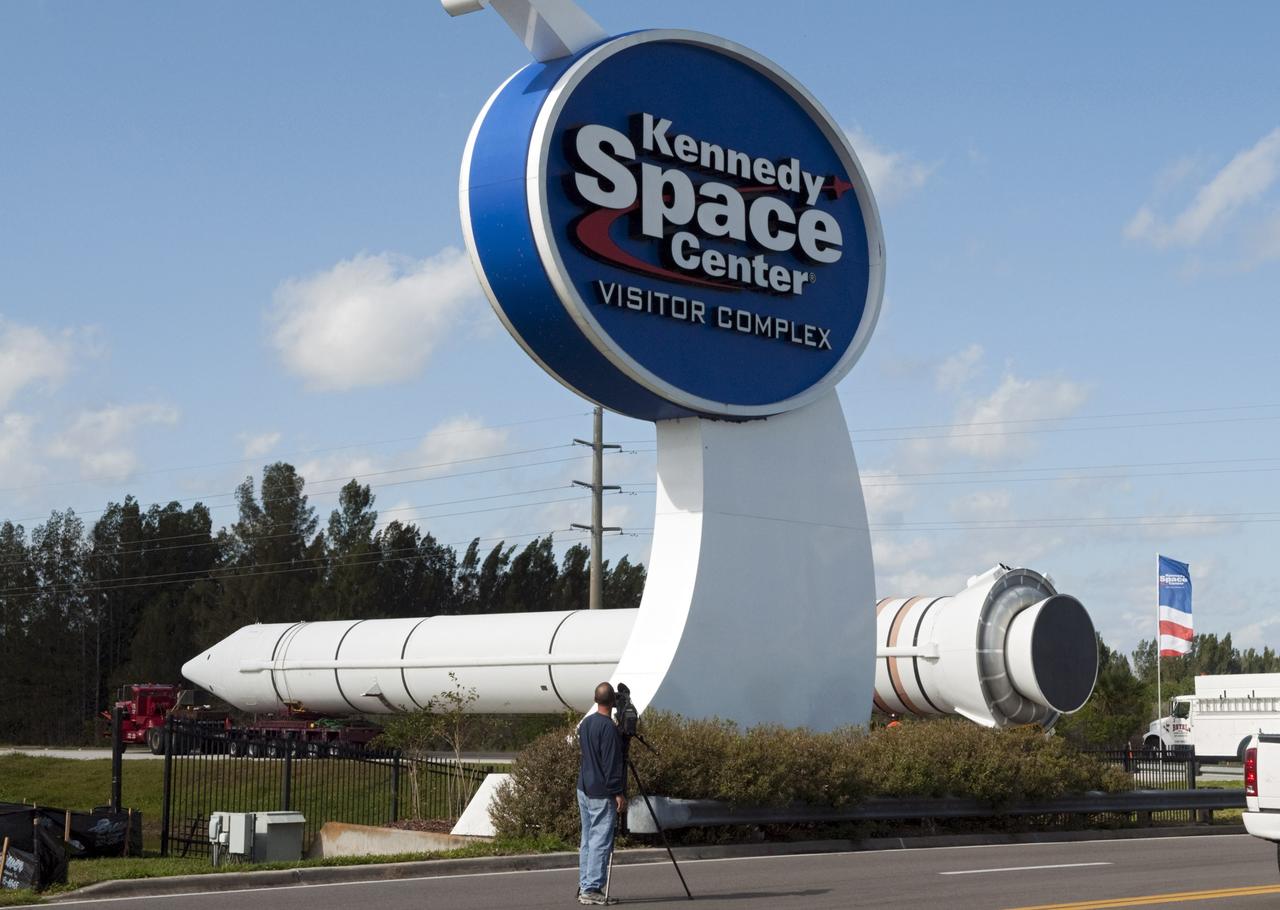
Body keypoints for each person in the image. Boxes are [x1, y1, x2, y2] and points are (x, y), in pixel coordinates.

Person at [577, 681, 626, 905]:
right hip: (601, 791)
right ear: (613, 702)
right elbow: (610, 763)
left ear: (596, 699)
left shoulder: (586, 723)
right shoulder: (608, 728)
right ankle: (592, 888)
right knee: (600, 840)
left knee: (588, 838)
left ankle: (586, 883)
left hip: (584, 787)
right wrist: (618, 792)